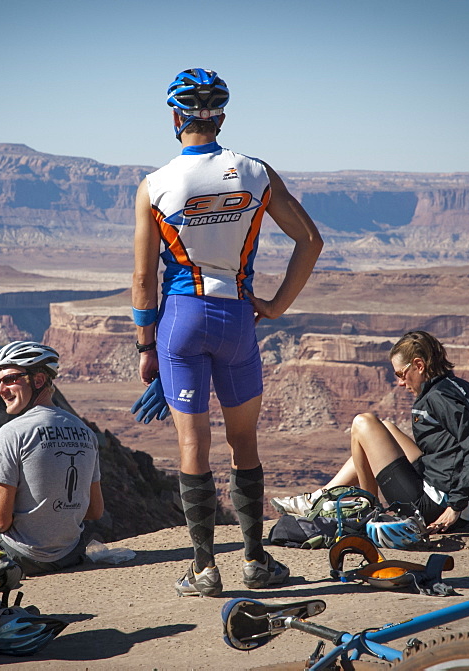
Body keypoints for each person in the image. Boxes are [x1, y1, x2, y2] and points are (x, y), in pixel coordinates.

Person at [132, 68, 324, 596]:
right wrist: (278, 306)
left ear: (175, 116)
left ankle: (203, 569)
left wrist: (147, 345)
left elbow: (143, 278)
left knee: (193, 443)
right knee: (244, 441)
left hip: (181, 320)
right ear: (221, 116)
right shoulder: (256, 173)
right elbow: (310, 241)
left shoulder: (155, 185)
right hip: (238, 316)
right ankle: (256, 561)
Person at [271, 331, 469, 534]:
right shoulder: (461, 388)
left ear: (419, 365)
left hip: (431, 507)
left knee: (362, 423)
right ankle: (317, 498)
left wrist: (457, 504)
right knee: (384, 429)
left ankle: (364, 509)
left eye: (400, 374)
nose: (399, 382)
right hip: (446, 494)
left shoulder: (438, 398)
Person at [0, 340, 104, 576]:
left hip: (22, 555)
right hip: (71, 553)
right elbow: (95, 511)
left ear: (38, 380)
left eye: (9, 379)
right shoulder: (86, 433)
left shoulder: (12, 432)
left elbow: (1, 521)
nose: (0, 390)